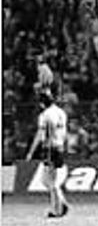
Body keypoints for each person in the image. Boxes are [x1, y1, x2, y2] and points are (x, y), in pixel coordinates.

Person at [25, 89, 70, 218]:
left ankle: (56, 210)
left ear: (41, 102)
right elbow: (64, 131)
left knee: (51, 181)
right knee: (46, 180)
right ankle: (62, 203)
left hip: (50, 148)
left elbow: (41, 134)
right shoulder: (61, 112)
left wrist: (31, 152)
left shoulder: (45, 115)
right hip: (59, 146)